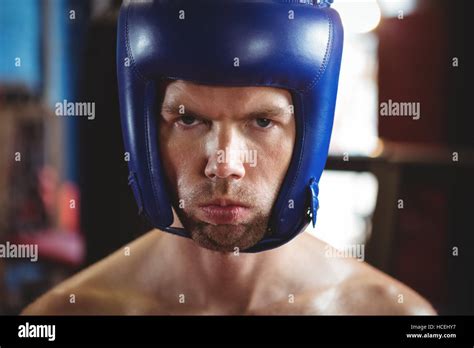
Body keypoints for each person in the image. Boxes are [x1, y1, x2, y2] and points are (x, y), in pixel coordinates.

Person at [22, 80, 436, 315]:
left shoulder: (390, 314)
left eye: (262, 120)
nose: (224, 164)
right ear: (146, 134)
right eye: (188, 118)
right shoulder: (68, 314)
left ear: (308, 136)